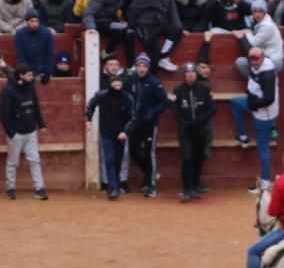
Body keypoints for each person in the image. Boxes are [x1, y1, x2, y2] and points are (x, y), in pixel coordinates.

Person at [231, 44, 280, 187]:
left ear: (262, 58)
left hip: (263, 114)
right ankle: (243, 137)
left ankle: (265, 182)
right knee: (235, 103)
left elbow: (269, 98)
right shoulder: (260, 64)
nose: (254, 61)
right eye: (252, 59)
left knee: (263, 147)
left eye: (257, 58)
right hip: (257, 105)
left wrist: (253, 104)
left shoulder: (267, 74)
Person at [0, 64, 47, 201]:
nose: (32, 77)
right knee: (13, 161)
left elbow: (35, 106)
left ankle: (40, 188)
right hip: (16, 133)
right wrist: (11, 133)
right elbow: (4, 114)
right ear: (21, 76)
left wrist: (41, 124)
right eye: (29, 75)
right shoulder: (8, 91)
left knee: (34, 159)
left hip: (30, 131)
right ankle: (10, 189)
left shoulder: (30, 87)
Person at [125, 53, 168, 197]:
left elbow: (164, 102)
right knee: (133, 151)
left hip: (149, 124)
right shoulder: (132, 79)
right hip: (135, 122)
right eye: (139, 66)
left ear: (148, 68)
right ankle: (150, 174)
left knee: (150, 153)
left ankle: (151, 185)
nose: (142, 69)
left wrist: (152, 113)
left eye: (144, 66)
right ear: (136, 67)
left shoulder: (154, 82)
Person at [85, 69, 133, 199]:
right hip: (106, 132)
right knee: (110, 159)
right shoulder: (102, 95)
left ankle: (114, 184)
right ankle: (113, 186)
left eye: (119, 83)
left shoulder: (127, 98)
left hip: (121, 133)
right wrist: (88, 119)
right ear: (110, 85)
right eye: (114, 83)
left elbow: (132, 117)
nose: (117, 85)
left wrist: (125, 131)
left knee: (118, 160)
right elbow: (91, 105)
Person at [171, 62, 214, 203]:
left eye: (193, 72)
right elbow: (175, 112)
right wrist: (186, 124)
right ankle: (186, 189)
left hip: (200, 130)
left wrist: (199, 121)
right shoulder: (178, 90)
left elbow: (212, 110)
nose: (191, 75)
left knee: (198, 159)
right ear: (184, 75)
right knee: (187, 158)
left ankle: (195, 185)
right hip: (185, 131)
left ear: (196, 74)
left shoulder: (205, 89)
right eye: (188, 73)